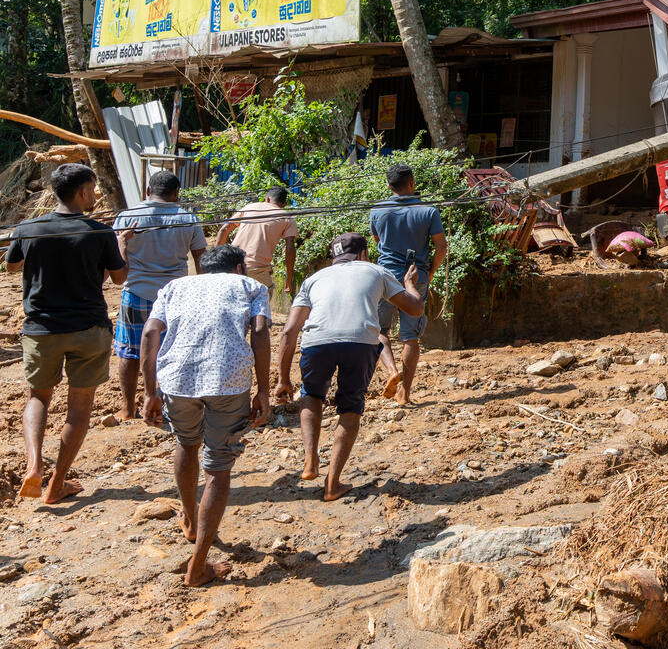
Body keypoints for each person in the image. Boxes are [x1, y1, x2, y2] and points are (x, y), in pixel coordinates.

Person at [140, 245, 271, 587]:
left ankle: (190, 518)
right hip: (229, 381)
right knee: (218, 468)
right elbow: (259, 333)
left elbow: (151, 333)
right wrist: (264, 390)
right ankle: (198, 567)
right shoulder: (251, 287)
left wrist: (150, 391)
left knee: (186, 443)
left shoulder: (173, 288)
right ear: (239, 266)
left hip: (177, 379)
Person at [4, 164, 127, 503]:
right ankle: (56, 483)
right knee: (80, 407)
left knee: (38, 397)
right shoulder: (100, 232)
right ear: (83, 192)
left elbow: (12, 266)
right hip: (88, 329)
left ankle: (33, 466)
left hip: (41, 329)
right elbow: (118, 278)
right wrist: (121, 248)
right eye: (93, 189)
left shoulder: (28, 227)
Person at [273, 233, 423, 500]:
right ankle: (332, 484)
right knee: (351, 407)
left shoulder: (313, 279)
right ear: (364, 253)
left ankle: (310, 460)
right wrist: (410, 284)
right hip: (360, 342)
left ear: (335, 256)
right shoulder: (376, 271)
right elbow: (415, 309)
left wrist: (282, 378)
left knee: (312, 395)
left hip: (316, 341)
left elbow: (288, 331)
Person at [114, 171, 207, 420]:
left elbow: (115, 256)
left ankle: (127, 408)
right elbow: (201, 259)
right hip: (174, 297)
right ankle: (163, 404)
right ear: (176, 194)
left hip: (135, 293)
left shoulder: (127, 217)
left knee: (130, 351)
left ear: (147, 191)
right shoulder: (188, 218)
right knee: (170, 351)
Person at [368, 164, 446, 405]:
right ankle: (405, 393)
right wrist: (430, 272)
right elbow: (441, 247)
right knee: (410, 338)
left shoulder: (377, 210)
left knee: (380, 332)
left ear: (389, 186)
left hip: (384, 277)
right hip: (415, 276)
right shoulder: (429, 211)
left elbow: (377, 241)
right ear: (412, 183)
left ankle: (391, 370)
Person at [217, 185, 298, 299]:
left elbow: (224, 229)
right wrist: (289, 277)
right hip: (258, 271)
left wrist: (217, 262)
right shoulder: (287, 218)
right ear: (284, 204)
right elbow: (290, 248)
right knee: (260, 310)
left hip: (232, 265)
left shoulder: (249, 207)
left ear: (267, 199)